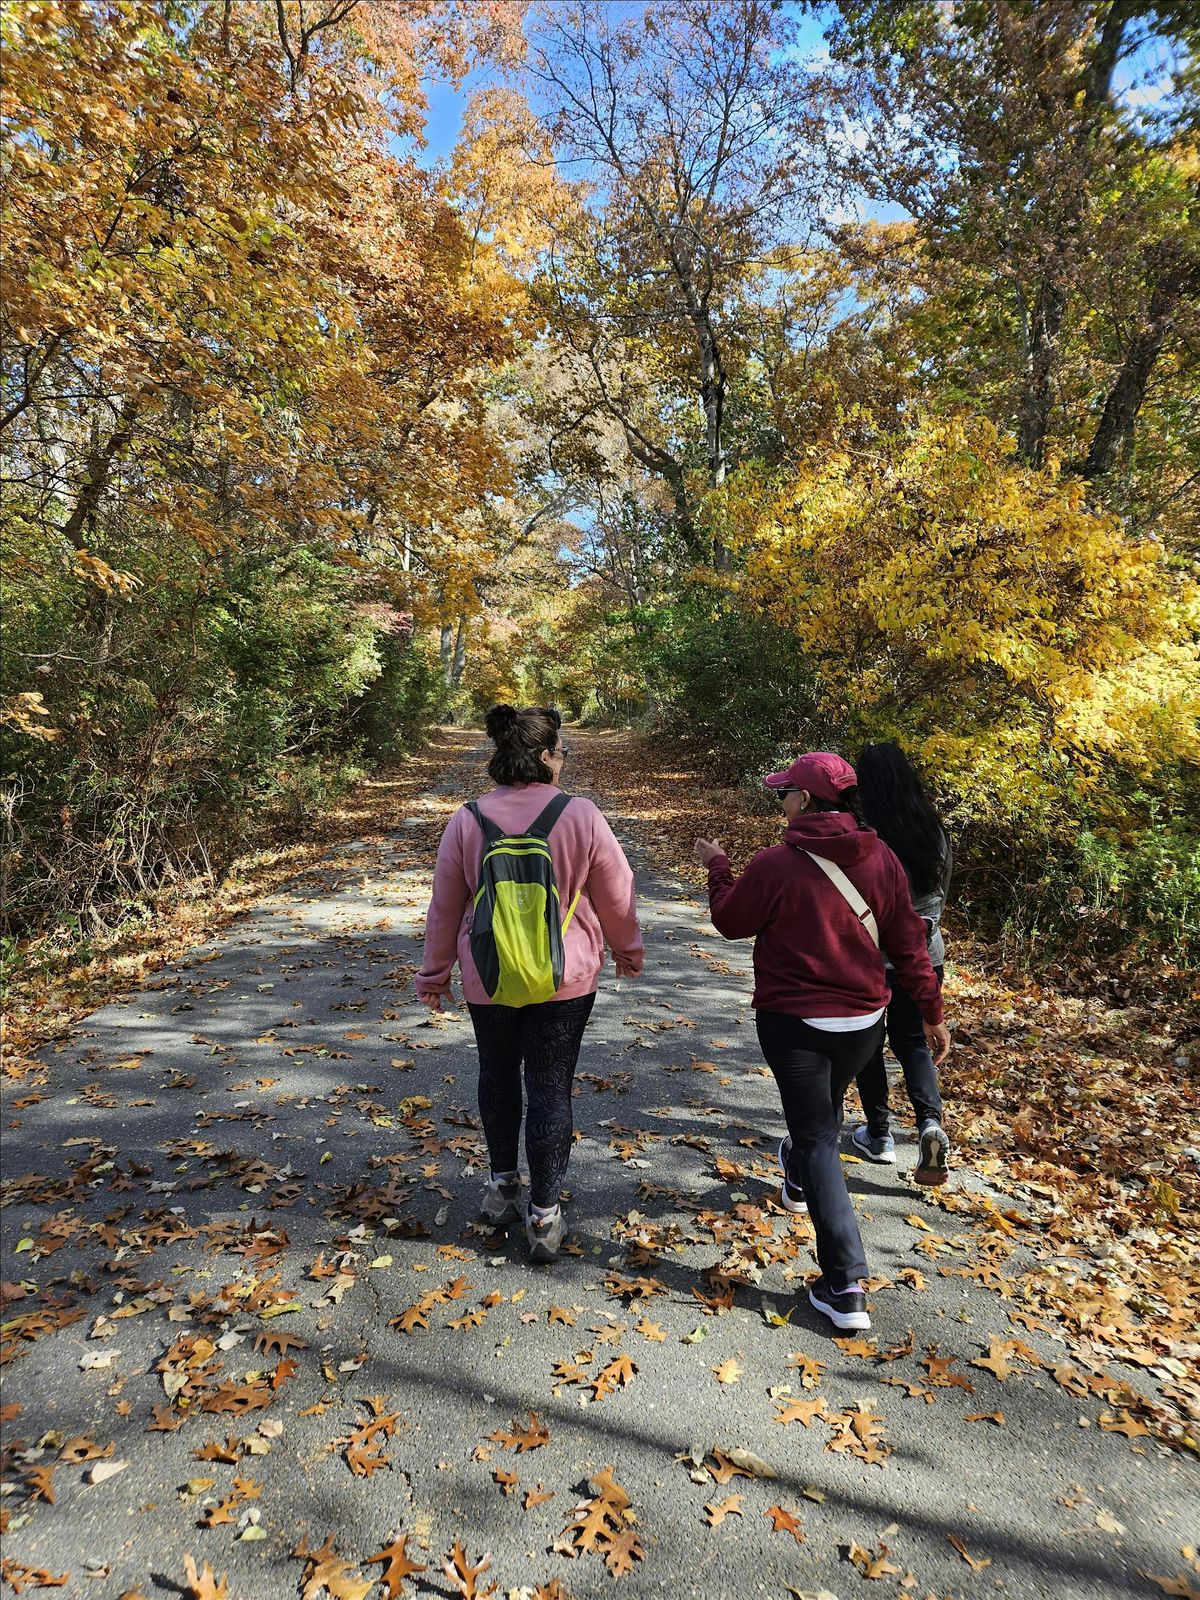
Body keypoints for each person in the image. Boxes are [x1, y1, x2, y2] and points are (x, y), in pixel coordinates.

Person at [694, 753, 949, 1332]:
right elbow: (909, 943)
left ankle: (845, 1284)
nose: (781, 799)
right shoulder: (881, 856)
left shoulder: (777, 864)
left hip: (796, 1024)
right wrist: (931, 1013)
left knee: (818, 1140)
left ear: (805, 801)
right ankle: (794, 1173)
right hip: (864, 1023)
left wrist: (718, 866)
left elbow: (731, 921)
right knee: (818, 1118)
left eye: (785, 792)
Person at [416, 705, 643, 1263]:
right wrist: (627, 950)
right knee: (549, 1083)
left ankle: (501, 1188)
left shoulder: (467, 819)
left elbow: (446, 905)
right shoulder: (581, 815)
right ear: (543, 756)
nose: (563, 760)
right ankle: (543, 1215)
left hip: (488, 977)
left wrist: (435, 972)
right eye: (560, 751)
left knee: (497, 1074)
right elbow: (616, 892)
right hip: (565, 976)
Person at [852, 742, 953, 1185]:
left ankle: (879, 1135)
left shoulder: (863, 838)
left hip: (870, 958)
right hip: (924, 956)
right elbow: (938, 898)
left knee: (869, 1046)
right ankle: (929, 1123)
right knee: (913, 1041)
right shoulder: (934, 832)